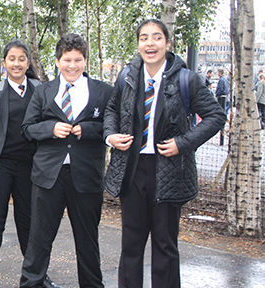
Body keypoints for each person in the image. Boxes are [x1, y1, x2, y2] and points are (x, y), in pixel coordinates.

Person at [104, 19, 225, 287]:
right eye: (144, 38)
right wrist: (110, 136)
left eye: (157, 38)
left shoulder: (187, 79)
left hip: (169, 172)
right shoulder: (126, 77)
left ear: (168, 44)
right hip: (132, 171)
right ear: (138, 45)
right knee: (131, 246)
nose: (150, 43)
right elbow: (111, 110)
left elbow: (216, 116)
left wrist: (183, 142)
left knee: (165, 247)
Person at [18, 34, 110, 288]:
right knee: (39, 240)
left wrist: (89, 130)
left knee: (88, 241)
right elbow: (27, 129)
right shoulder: (44, 91)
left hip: (87, 177)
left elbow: (112, 129)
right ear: (58, 61)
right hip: (48, 177)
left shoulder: (104, 92)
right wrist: (50, 128)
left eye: (78, 60)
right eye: (67, 60)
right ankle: (31, 284)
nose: (72, 65)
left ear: (85, 61)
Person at [0, 40, 47, 288]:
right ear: (4, 63)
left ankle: (37, 275)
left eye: (21, 58)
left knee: (29, 222)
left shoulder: (40, 90)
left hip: (30, 168)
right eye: (11, 58)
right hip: (1, 166)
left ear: (28, 62)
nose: (17, 63)